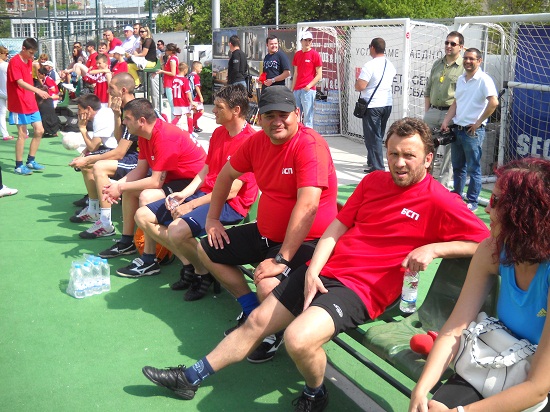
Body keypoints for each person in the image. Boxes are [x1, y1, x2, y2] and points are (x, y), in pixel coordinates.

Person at [141, 117, 490, 411]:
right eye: (393, 154)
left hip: (364, 290)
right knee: (258, 320)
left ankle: (314, 391)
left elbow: (489, 243)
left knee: (297, 339)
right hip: (329, 271)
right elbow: (337, 228)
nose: (399, 163)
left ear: (428, 159)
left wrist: (435, 249)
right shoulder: (373, 182)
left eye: (409, 156)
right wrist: (312, 270)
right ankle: (190, 378)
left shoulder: (440, 200)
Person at [195, 85, 338, 362]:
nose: (277, 121)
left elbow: (308, 206)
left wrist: (282, 259)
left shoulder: (310, 145)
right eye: (269, 115)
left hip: (309, 242)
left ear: (298, 114)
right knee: (207, 248)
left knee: (267, 284)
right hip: (266, 235)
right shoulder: (257, 142)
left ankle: (273, 332)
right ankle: (251, 309)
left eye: (284, 114)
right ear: (259, 118)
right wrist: (212, 219)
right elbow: (225, 176)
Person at [410, 157, 550, 412]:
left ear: (525, 214)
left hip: (539, 384)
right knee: (433, 406)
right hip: (497, 358)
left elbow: (537, 387)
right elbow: (454, 329)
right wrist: (421, 389)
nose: (487, 208)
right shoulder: (491, 250)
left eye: (495, 201)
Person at [116, 84, 258, 285]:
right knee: (143, 215)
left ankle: (200, 271)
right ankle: (198, 266)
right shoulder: (219, 133)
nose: (213, 110)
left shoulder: (250, 141)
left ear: (236, 110)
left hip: (230, 204)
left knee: (177, 229)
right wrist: (184, 194)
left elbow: (231, 192)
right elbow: (206, 170)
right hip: (206, 194)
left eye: (219, 107)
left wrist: (190, 205)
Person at [98, 98, 206, 259]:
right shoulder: (144, 134)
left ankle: (149, 258)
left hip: (193, 183)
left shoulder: (164, 137)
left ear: (142, 121)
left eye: (127, 118)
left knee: (146, 196)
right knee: (130, 190)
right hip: (176, 179)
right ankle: (126, 242)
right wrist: (115, 187)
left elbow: (156, 182)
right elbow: (140, 170)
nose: (124, 122)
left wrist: (119, 187)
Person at [77, 73, 140, 238]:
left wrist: (89, 158)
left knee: (98, 166)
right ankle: (94, 210)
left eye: (111, 88)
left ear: (123, 90)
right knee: (89, 165)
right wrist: (116, 115)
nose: (108, 91)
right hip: (132, 154)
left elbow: (120, 152)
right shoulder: (125, 109)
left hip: (141, 159)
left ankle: (105, 223)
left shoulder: (135, 110)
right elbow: (120, 140)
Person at [441, 47, 498, 212]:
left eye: (471, 59)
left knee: (473, 169)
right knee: (458, 167)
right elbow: (456, 102)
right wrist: (446, 120)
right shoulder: (461, 79)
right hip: (457, 129)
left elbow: (494, 102)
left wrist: (479, 122)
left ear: (479, 61)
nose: (467, 61)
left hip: (472, 132)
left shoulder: (484, 80)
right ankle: (457, 196)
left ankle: (472, 201)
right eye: (466, 58)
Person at [67, 94, 118, 226]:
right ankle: (92, 206)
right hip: (111, 149)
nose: (78, 113)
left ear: (88, 109)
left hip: (117, 152)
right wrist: (83, 154)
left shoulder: (100, 119)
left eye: (80, 109)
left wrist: (82, 129)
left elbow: (93, 147)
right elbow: (95, 145)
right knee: (85, 161)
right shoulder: (103, 113)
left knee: (87, 165)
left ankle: (94, 209)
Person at [424, 31, 464, 188]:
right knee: (427, 148)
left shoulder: (464, 67)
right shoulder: (437, 64)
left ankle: (442, 186)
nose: (449, 46)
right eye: (447, 42)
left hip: (452, 114)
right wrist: (428, 112)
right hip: (433, 112)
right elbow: (428, 90)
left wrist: (452, 116)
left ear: (460, 47)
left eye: (453, 43)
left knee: (449, 154)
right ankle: (425, 183)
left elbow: (463, 96)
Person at [7, 38, 50, 175]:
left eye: (34, 53)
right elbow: (19, 82)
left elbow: (29, 78)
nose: (32, 56)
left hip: (30, 101)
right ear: (23, 49)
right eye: (31, 53)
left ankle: (31, 161)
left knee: (39, 130)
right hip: (18, 103)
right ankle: (18, 166)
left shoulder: (30, 61)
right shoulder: (14, 62)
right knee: (22, 134)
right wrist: (37, 90)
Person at [355, 37, 397, 173]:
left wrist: (357, 82)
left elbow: (360, 86)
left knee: (373, 137)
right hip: (386, 104)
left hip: (373, 105)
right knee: (378, 135)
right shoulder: (390, 65)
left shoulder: (370, 65)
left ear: (372, 47)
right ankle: (372, 161)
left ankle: (378, 168)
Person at [291, 31, 322, 128]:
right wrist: (292, 89)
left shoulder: (315, 54)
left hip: (308, 90)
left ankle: (308, 136)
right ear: (301, 41)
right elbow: (296, 73)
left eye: (310, 40)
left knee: (308, 118)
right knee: (295, 117)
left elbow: (319, 75)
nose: (308, 42)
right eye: (305, 40)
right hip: (297, 89)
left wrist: (309, 86)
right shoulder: (297, 54)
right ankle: (297, 135)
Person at [128, 26, 157, 91]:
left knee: (129, 66)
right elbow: (139, 52)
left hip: (150, 62)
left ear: (147, 32)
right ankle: (137, 83)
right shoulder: (143, 41)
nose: (140, 33)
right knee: (129, 65)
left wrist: (134, 55)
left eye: (142, 32)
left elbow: (143, 54)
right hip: (145, 61)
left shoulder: (148, 40)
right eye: (140, 32)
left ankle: (137, 83)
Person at [156, 43, 180, 121]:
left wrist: (162, 71)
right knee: (172, 103)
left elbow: (173, 73)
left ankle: (174, 121)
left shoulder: (172, 60)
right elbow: (166, 70)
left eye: (166, 50)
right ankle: (174, 120)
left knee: (172, 103)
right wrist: (161, 61)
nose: (165, 51)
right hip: (170, 82)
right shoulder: (172, 58)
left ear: (170, 51)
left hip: (171, 83)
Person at [170, 62, 194, 132]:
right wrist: (191, 101)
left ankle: (170, 128)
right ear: (185, 70)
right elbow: (188, 91)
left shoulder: (174, 79)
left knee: (178, 116)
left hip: (176, 100)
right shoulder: (185, 80)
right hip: (183, 101)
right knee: (189, 115)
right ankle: (190, 132)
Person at [0, 46, 13, 141]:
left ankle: (5, 134)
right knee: (19, 111)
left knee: (2, 114)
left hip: (1, 92)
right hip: (9, 91)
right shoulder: (6, 65)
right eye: (6, 54)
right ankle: (24, 132)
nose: (7, 56)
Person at [189, 61, 204, 134]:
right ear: (196, 67)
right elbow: (197, 87)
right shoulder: (196, 76)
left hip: (191, 96)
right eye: (200, 68)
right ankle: (191, 125)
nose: (201, 69)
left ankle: (196, 127)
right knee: (201, 111)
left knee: (195, 112)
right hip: (196, 96)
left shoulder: (189, 75)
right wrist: (200, 96)